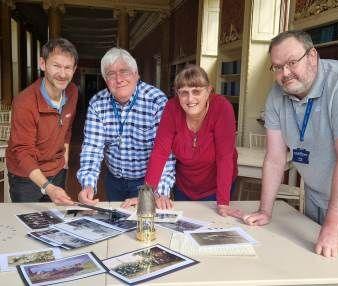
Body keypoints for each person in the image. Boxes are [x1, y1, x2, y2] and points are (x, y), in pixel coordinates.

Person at [242, 30, 338, 262]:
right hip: (316, 192)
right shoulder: (276, 95)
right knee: (314, 263)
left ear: (312, 55)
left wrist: (333, 225)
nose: (285, 73)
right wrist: (265, 210)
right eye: (277, 66)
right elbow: (274, 158)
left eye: (292, 63)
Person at [123, 65, 240, 217]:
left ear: (209, 90)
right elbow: (160, 153)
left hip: (217, 186)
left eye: (196, 91)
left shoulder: (222, 108)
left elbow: (225, 157)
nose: (190, 99)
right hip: (184, 186)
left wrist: (223, 201)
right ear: (177, 94)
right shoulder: (172, 108)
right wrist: (146, 196)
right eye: (184, 93)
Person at [76, 47, 175, 204]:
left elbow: (165, 152)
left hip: (148, 180)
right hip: (114, 181)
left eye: (125, 72)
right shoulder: (97, 103)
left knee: (145, 224)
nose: (118, 79)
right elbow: (92, 148)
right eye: (111, 74)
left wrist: (159, 192)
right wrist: (88, 185)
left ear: (136, 75)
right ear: (105, 80)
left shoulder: (157, 101)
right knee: (118, 225)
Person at [6, 38, 78, 204]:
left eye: (68, 67)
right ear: (43, 64)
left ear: (74, 69)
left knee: (54, 222)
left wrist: (64, 159)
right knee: (27, 224)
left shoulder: (72, 92)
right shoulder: (24, 102)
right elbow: (22, 151)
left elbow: (67, 128)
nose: (62, 73)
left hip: (57, 170)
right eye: (56, 65)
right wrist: (47, 186)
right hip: (25, 176)